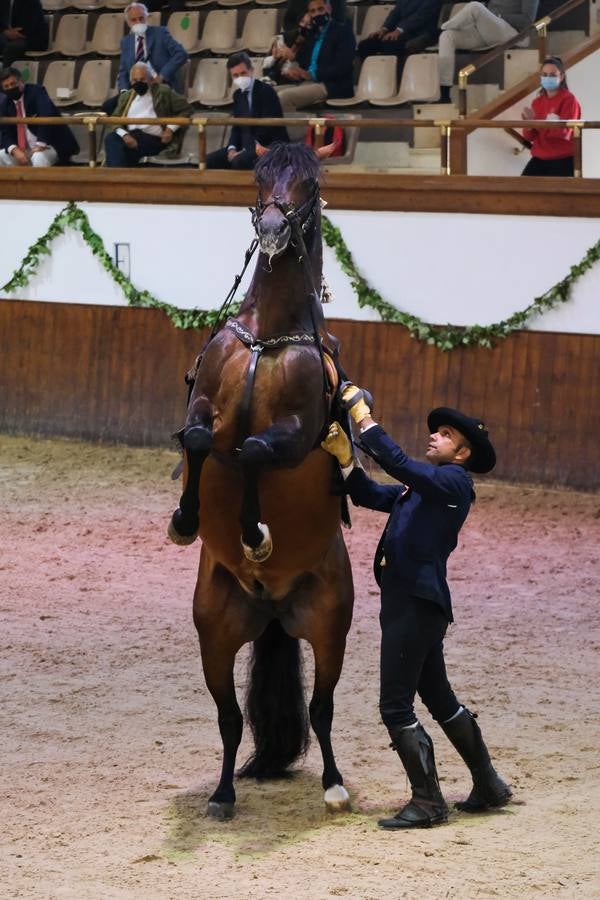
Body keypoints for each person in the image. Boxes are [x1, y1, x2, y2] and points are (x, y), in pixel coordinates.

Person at [320, 385, 512, 830]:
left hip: (413, 605)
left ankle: (428, 802)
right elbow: (369, 494)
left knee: (395, 707)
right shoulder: (422, 490)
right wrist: (346, 457)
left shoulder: (451, 482)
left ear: (462, 454)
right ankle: (488, 784)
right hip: (417, 605)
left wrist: (363, 418)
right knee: (440, 699)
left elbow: (400, 463)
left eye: (444, 435)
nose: (434, 437)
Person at [438, 0, 539, 102]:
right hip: (487, 30)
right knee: (447, 36)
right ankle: (444, 91)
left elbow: (528, 20)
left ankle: (444, 27)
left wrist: (498, 16)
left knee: (475, 6)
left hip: (512, 32)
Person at [206, 53, 288, 171]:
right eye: (235, 75)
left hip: (268, 145)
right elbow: (237, 127)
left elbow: (268, 128)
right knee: (208, 161)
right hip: (245, 146)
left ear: (252, 71)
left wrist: (245, 149)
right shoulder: (237, 95)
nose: (240, 78)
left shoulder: (266, 91)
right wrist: (232, 149)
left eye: (243, 73)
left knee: (239, 161)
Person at [103, 62, 194, 167]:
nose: (138, 83)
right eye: (135, 80)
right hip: (129, 138)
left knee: (112, 141)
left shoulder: (163, 92)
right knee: (121, 151)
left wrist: (170, 129)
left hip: (154, 139)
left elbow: (187, 109)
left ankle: (115, 180)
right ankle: (122, 179)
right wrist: (125, 135)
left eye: (142, 80)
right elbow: (114, 120)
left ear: (150, 80)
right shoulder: (126, 97)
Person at [276, 0, 355, 112]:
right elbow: (304, 63)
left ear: (329, 8)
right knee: (268, 92)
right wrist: (295, 72)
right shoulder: (312, 33)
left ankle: (292, 129)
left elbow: (342, 67)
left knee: (284, 97)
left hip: (331, 85)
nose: (317, 14)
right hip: (308, 82)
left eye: (320, 9)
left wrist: (311, 75)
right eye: (313, 11)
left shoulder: (343, 31)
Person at [0, 66, 79, 166]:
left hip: (49, 145)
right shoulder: (5, 103)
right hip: (22, 149)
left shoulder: (37, 92)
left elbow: (47, 116)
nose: (10, 88)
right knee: (1, 156)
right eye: (6, 87)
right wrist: (14, 149)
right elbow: (5, 132)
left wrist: (40, 144)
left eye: (13, 84)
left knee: (38, 157)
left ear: (22, 82)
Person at [520, 56, 581, 176]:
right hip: (539, 158)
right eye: (545, 74)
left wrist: (537, 124)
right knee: (522, 191)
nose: (548, 78)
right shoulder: (537, 102)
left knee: (558, 195)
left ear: (562, 77)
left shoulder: (569, 99)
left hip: (563, 159)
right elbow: (530, 137)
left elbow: (564, 133)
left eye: (553, 75)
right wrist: (528, 125)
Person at [117, 2, 187, 93]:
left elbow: (181, 54)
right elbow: (123, 71)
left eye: (141, 18)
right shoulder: (126, 42)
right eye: (134, 20)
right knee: (109, 105)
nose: (138, 22)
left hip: (159, 85)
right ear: (128, 23)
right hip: (136, 88)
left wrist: (162, 75)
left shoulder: (160, 33)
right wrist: (123, 90)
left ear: (147, 18)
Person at [357, 0, 443, 63]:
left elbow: (420, 17)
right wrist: (383, 29)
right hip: (401, 31)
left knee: (390, 45)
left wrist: (399, 30)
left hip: (420, 33)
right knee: (365, 45)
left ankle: (393, 79)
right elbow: (395, 13)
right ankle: (371, 77)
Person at [0, 0, 48, 66]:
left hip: (32, 38)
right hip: (10, 35)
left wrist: (10, 33)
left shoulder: (31, 2)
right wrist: (6, 32)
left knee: (12, 47)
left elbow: (29, 26)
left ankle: (7, 74)